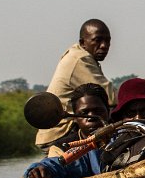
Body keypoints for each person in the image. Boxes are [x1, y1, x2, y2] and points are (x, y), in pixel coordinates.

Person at [35, 19, 117, 154]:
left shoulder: (81, 56)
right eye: (97, 40)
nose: (104, 45)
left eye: (107, 40)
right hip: (61, 133)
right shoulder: (79, 59)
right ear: (83, 43)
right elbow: (111, 97)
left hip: (65, 129)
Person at [47, 84, 111, 157]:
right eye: (84, 113)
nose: (91, 117)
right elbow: (53, 164)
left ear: (108, 112)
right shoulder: (60, 148)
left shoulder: (123, 138)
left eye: (98, 111)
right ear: (75, 118)